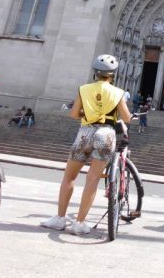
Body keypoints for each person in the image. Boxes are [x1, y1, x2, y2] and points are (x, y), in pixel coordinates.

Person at [40, 54, 131, 235]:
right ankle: (80, 223)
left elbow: (74, 114)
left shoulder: (84, 89)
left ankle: (59, 219)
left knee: (69, 177)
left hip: (85, 133)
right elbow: (127, 117)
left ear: (95, 73)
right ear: (112, 75)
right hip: (106, 135)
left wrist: (89, 113)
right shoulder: (118, 93)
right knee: (92, 180)